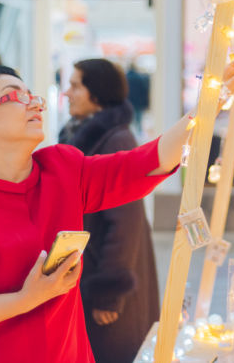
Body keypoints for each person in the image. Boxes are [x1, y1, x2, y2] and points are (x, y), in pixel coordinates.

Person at [0, 56, 234, 362]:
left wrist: (213, 98)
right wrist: (26, 299)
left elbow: (149, 162)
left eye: (33, 96)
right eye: (16, 96)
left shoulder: (62, 169)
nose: (35, 104)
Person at [58, 58, 157, 363]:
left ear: (97, 93)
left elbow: (123, 224)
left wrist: (109, 292)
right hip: (89, 269)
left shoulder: (115, 140)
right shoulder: (81, 134)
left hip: (111, 280)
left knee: (111, 351)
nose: (67, 93)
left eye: (76, 85)